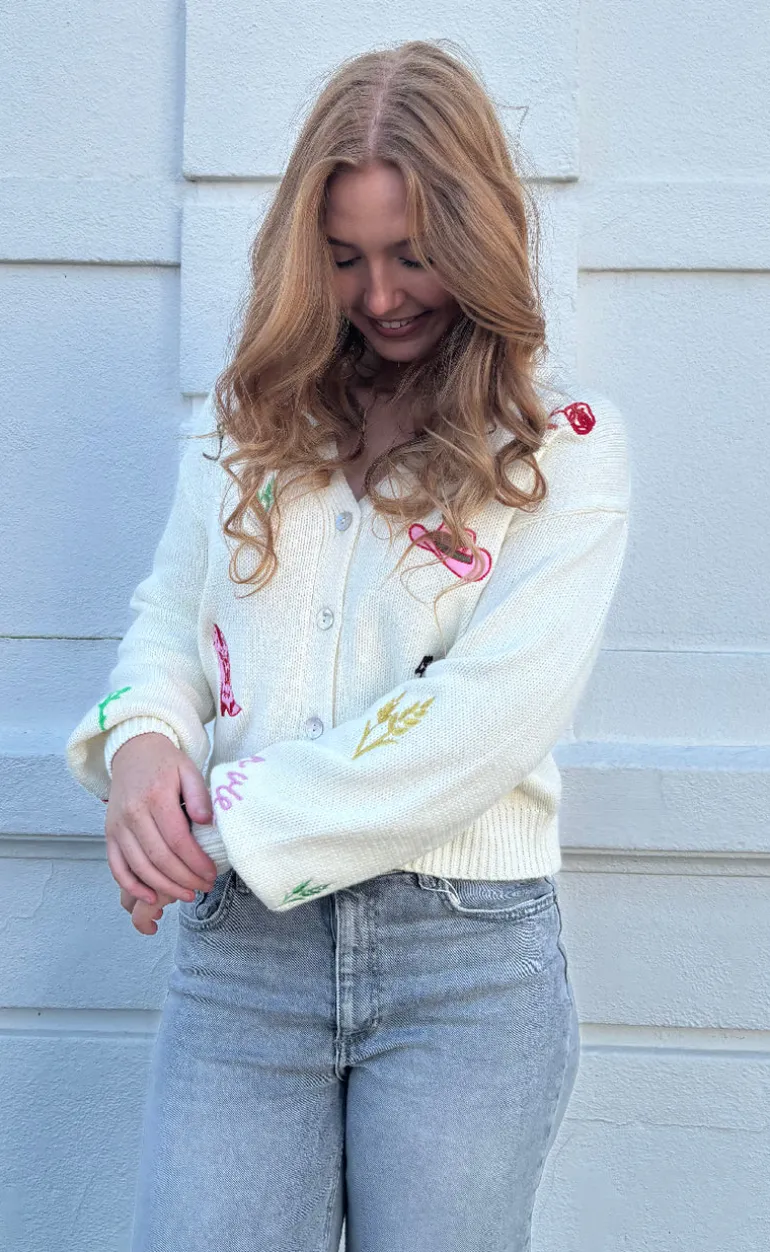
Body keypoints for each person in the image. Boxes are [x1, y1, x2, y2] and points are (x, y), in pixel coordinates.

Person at [66, 38, 630, 1252]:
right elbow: (170, 621)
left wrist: (214, 817)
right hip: (242, 962)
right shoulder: (248, 425)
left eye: (412, 252)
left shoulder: (564, 451)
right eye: (343, 257)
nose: (380, 295)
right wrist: (141, 743)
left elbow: (480, 723)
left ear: (475, 235)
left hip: (461, 966)